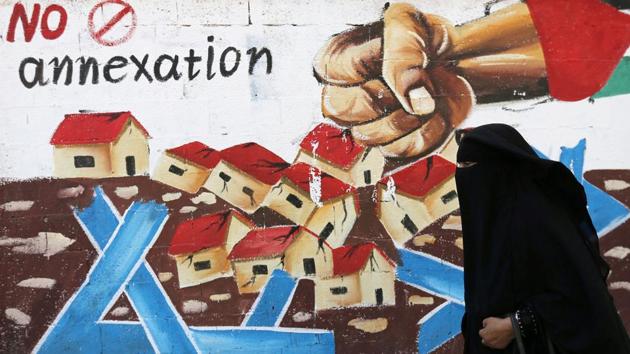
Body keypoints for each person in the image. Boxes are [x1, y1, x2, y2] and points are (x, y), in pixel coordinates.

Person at [454, 123, 630, 354]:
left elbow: (580, 292)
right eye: (461, 166)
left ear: (498, 168)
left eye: (470, 165)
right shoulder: (490, 221)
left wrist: (516, 324)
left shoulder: (537, 217)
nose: (463, 175)